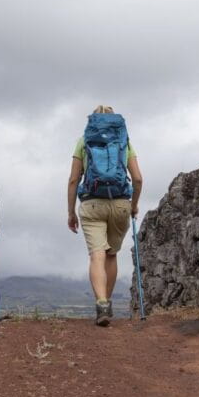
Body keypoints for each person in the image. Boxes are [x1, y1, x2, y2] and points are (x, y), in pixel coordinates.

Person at [67, 105, 143, 326]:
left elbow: (73, 180)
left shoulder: (84, 141)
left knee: (97, 255)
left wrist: (70, 212)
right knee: (111, 255)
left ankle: (101, 303)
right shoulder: (124, 141)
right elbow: (138, 179)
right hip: (120, 204)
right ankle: (108, 300)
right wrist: (134, 205)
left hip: (92, 204)